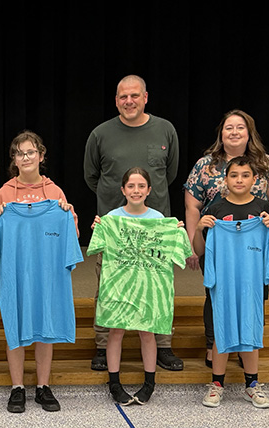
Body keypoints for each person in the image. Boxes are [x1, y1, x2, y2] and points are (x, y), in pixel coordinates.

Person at [83, 74, 183, 371]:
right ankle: (103, 346)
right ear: (116, 101)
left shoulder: (165, 130)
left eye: (134, 96)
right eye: (123, 97)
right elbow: (92, 177)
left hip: (155, 233)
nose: (129, 101)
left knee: (158, 286)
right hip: (116, 233)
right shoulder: (100, 134)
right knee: (108, 287)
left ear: (145, 97)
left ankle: (162, 344)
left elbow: (170, 173)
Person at [183, 109, 269, 367]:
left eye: (240, 127)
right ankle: (213, 344)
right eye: (229, 127)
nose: (234, 132)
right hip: (217, 240)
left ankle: (245, 345)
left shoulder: (265, 163)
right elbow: (192, 206)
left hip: (251, 242)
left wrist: (258, 222)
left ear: (249, 133)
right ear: (221, 133)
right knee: (215, 292)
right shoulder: (206, 165)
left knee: (255, 293)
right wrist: (193, 244)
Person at [0, 131, 79, 413]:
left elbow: (72, 234)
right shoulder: (4, 192)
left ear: (41, 155)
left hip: (47, 274)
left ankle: (43, 386)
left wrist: (68, 213)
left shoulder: (55, 193)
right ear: (14, 160)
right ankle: (17, 388)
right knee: (14, 327)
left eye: (30, 152)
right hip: (16, 274)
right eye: (19, 153)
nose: (25, 158)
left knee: (45, 328)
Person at [88, 168, 188, 406]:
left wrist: (176, 232)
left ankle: (149, 383)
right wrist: (99, 229)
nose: (136, 190)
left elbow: (180, 253)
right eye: (131, 186)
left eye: (141, 186)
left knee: (148, 332)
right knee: (115, 330)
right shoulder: (111, 218)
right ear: (123, 190)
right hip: (120, 288)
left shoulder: (159, 220)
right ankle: (114, 382)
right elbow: (99, 249)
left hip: (148, 289)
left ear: (149, 190)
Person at [193, 157, 269, 409]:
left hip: (252, 283)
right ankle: (217, 384)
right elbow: (199, 249)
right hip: (222, 283)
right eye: (234, 175)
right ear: (226, 179)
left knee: (250, 330)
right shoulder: (215, 210)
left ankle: (252, 385)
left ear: (254, 180)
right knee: (222, 330)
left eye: (245, 175)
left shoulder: (263, 209)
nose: (239, 180)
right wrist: (199, 228)